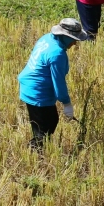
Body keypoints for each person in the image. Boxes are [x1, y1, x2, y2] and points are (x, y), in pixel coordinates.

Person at [17, 18, 88, 150]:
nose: (74, 43)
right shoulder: (57, 54)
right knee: (44, 128)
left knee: (49, 121)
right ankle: (35, 153)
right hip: (37, 92)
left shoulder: (47, 38)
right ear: (64, 36)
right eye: (73, 39)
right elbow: (59, 82)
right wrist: (66, 103)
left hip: (30, 85)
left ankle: (37, 148)